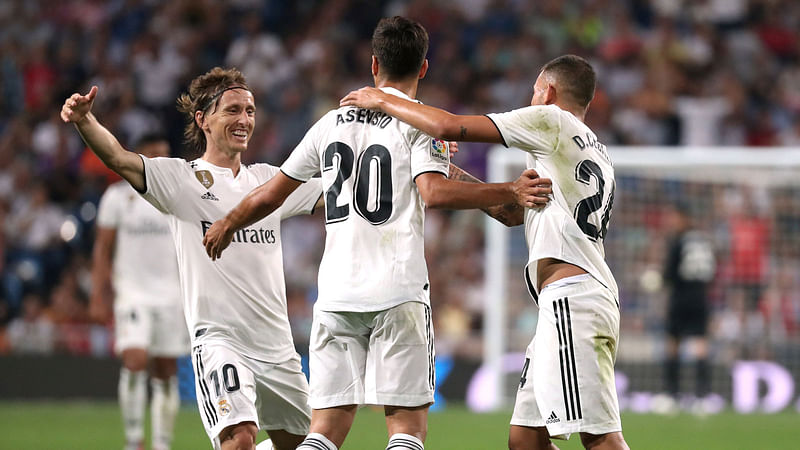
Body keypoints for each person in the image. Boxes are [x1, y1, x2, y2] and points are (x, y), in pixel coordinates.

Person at [202, 16, 551, 450]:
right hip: (397, 291)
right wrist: (509, 190)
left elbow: (271, 194)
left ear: (373, 64)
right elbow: (433, 192)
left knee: (324, 433)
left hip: (336, 296)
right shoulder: (424, 122)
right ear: (423, 68)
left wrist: (227, 223)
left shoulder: (331, 123)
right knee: (406, 430)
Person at [340, 54, 630, 450]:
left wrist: (382, 100)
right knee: (525, 439)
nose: (530, 98)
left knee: (600, 438)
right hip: (573, 299)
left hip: (573, 300)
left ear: (548, 91)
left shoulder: (551, 120)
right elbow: (512, 213)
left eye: (533, 90)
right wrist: (445, 169)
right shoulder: (593, 151)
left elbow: (447, 125)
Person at [62, 67, 322, 450]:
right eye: (232, 110)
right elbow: (120, 159)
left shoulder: (269, 182)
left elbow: (338, 192)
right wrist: (85, 121)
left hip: (277, 345)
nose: (244, 120)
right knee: (240, 439)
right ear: (203, 119)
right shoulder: (181, 180)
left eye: (249, 111)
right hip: (220, 340)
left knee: (303, 443)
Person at [90, 133, 189, 450]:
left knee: (165, 370)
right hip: (132, 293)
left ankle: (162, 444)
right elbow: (103, 249)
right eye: (154, 155)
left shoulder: (178, 198)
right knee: (134, 360)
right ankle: (133, 440)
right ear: (140, 156)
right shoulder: (118, 197)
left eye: (165, 155)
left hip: (172, 295)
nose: (161, 162)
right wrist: (98, 294)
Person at [661, 202, 716, 412]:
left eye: (673, 217)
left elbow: (669, 275)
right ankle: (702, 397)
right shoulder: (703, 240)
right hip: (701, 297)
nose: (671, 221)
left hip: (681, 297)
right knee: (700, 345)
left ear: (683, 217)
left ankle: (671, 396)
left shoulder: (678, 241)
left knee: (673, 343)